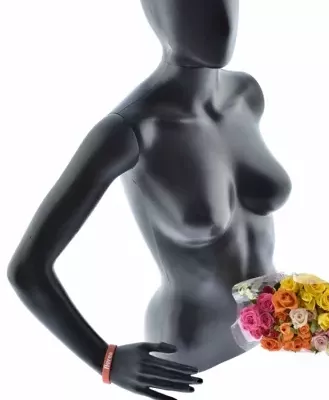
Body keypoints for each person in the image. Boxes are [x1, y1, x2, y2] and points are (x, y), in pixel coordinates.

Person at [7, 1, 292, 399]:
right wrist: (104, 360)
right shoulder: (129, 131)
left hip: (271, 340)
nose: (217, 16)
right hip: (185, 363)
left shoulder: (246, 94)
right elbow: (27, 269)